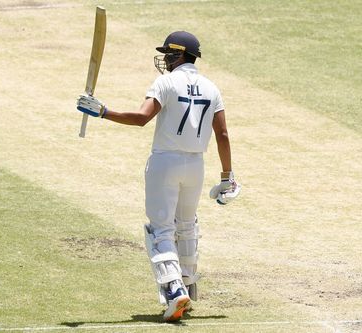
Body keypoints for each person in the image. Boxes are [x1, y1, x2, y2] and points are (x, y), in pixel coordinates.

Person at [76, 31, 241, 322]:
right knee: (187, 226)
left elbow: (141, 118)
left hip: (165, 162)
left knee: (161, 230)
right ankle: (188, 283)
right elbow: (223, 135)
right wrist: (227, 176)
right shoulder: (212, 87)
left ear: (180, 55)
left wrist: (103, 111)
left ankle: (175, 290)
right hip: (196, 167)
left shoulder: (165, 82)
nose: (165, 59)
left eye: (168, 54)